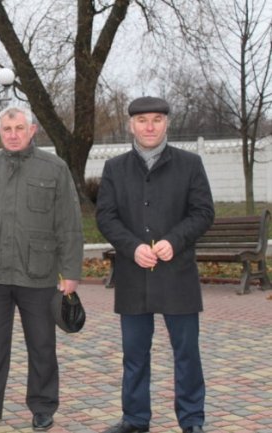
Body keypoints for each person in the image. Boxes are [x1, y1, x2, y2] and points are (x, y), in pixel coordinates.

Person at [0, 106, 84, 432]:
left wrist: (70, 272)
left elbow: (69, 224)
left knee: (42, 345)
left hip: (37, 273)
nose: (13, 134)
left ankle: (42, 406)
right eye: (7, 128)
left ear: (32, 130)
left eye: (19, 128)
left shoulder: (54, 169)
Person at [95, 96, 214, 433]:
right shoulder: (115, 168)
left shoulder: (190, 164)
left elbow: (204, 212)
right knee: (134, 355)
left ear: (167, 124)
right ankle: (135, 418)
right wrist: (132, 248)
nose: (150, 126)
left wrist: (173, 241)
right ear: (131, 124)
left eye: (157, 120)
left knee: (187, 353)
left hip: (178, 275)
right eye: (143, 120)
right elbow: (106, 216)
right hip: (134, 275)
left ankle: (192, 419)